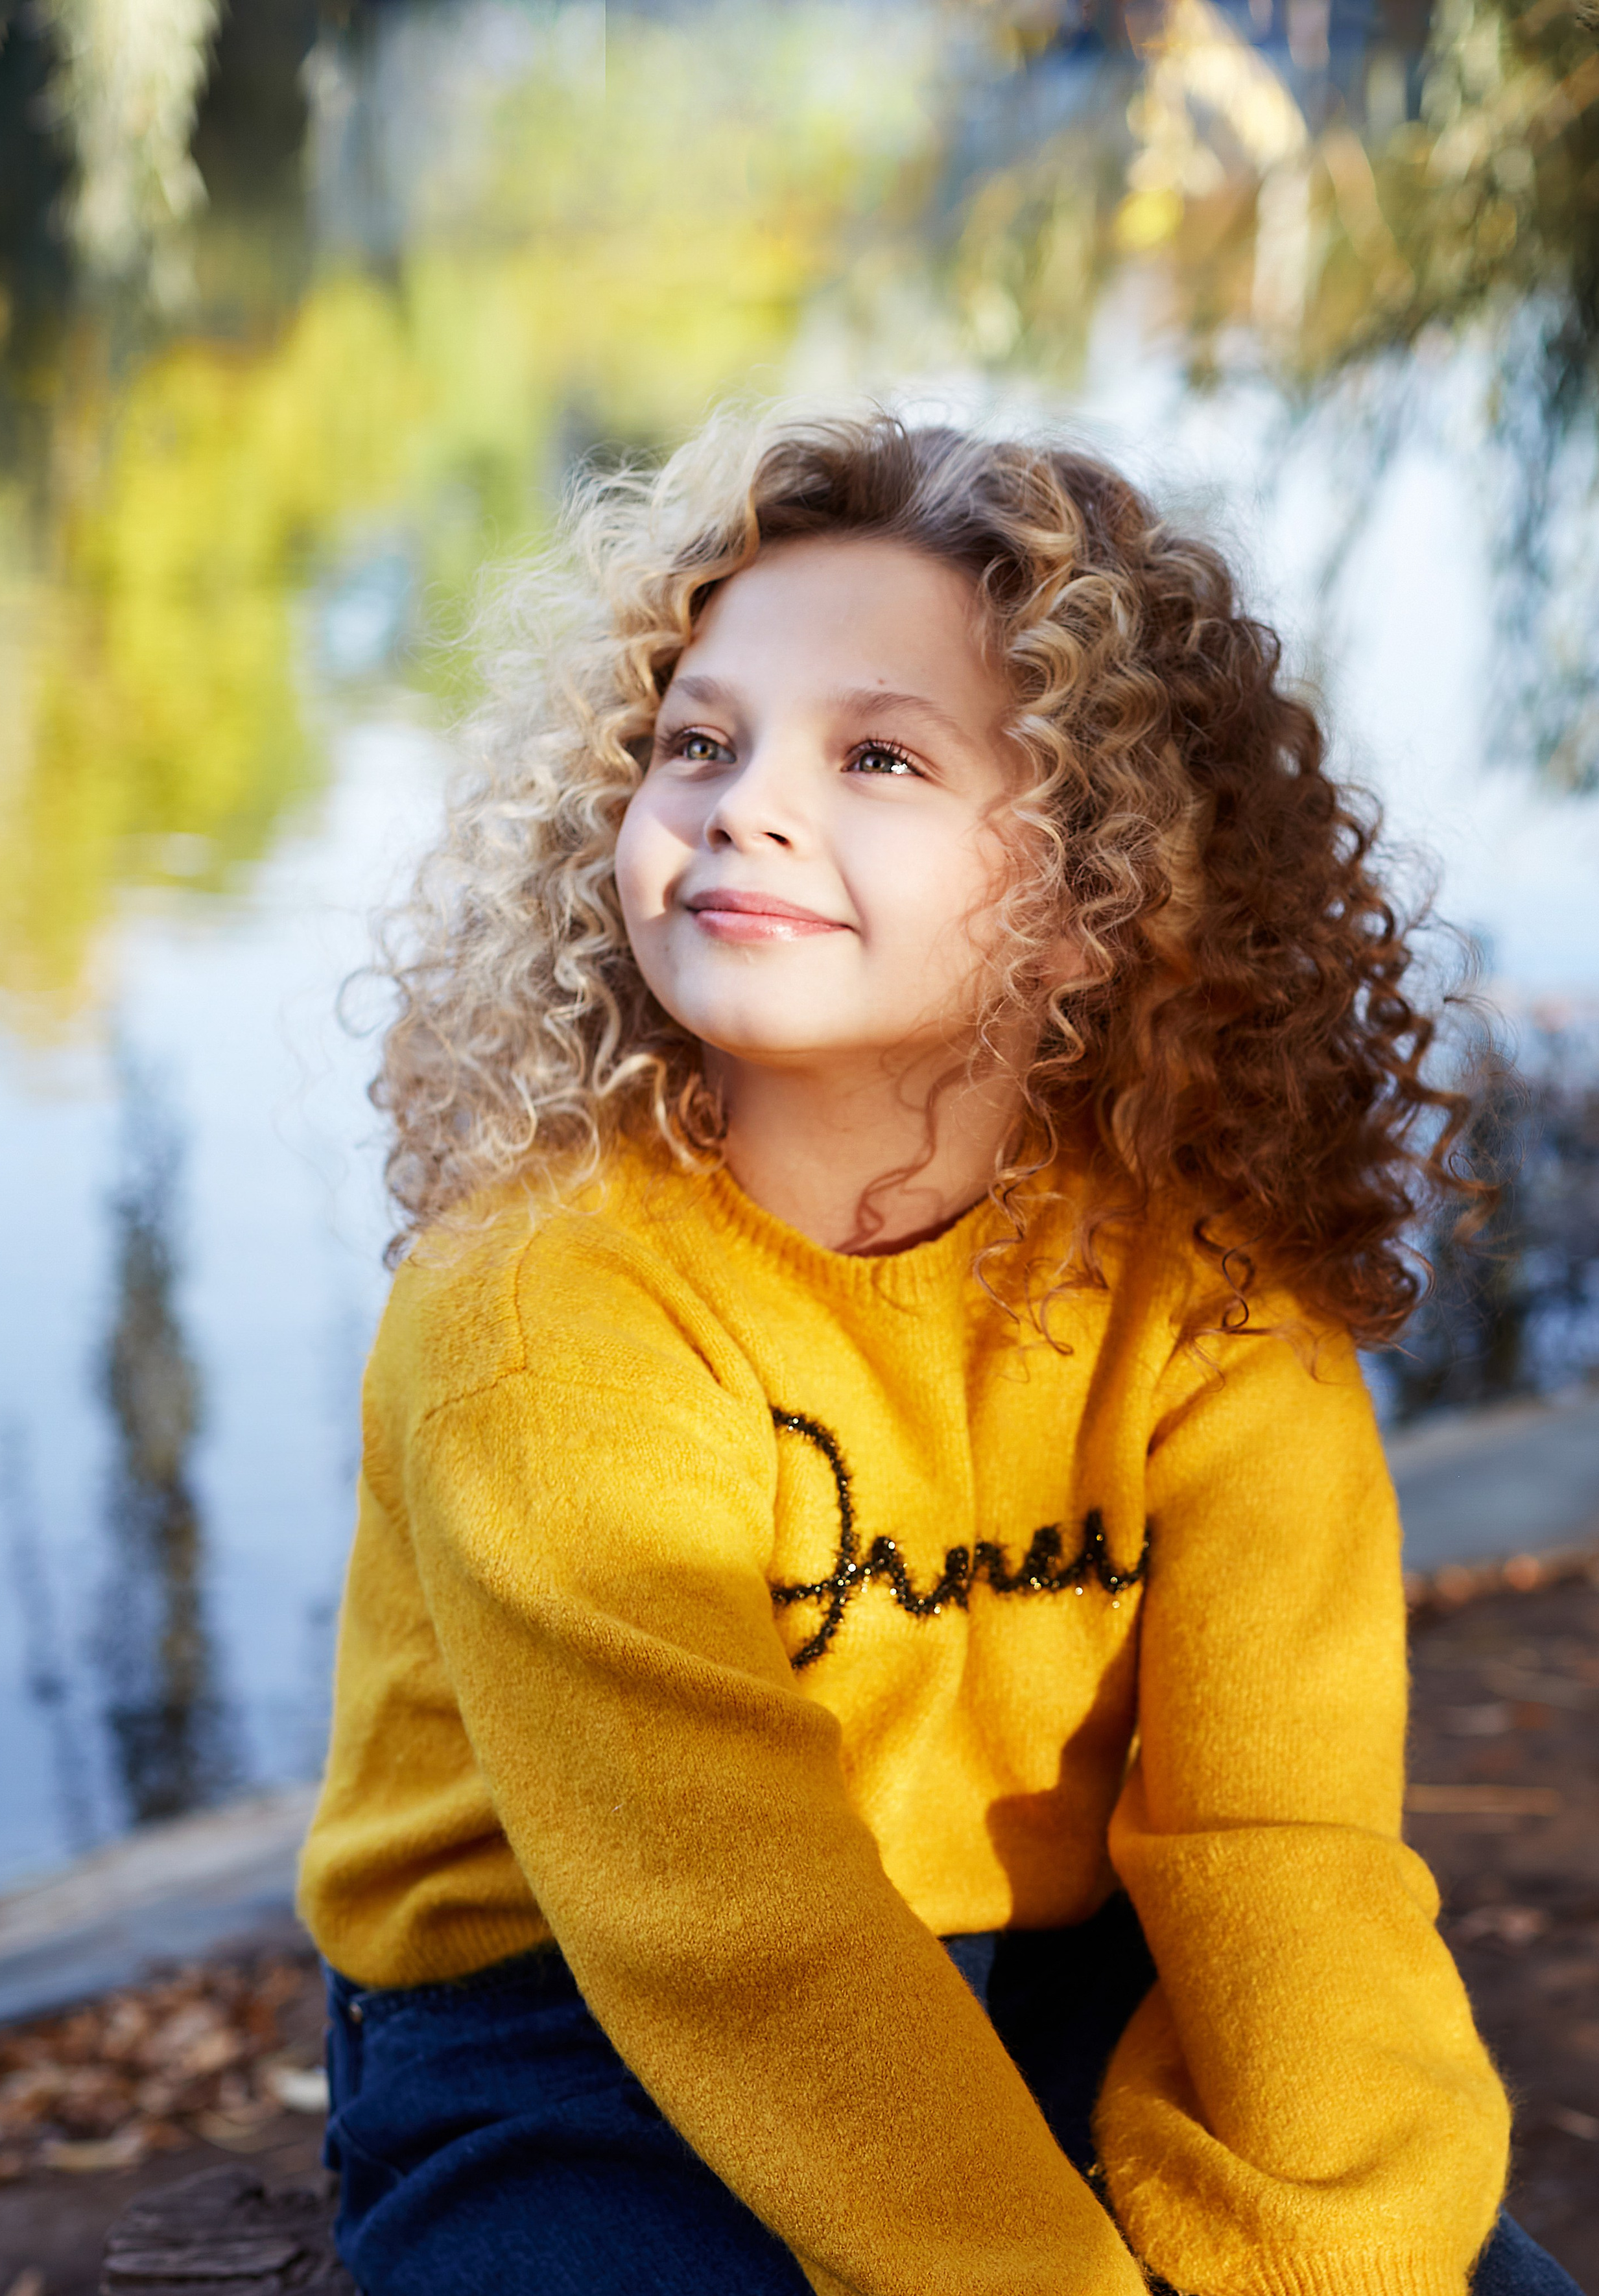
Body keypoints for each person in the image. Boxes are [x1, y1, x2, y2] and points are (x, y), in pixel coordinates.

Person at [298, 410, 1577, 2296]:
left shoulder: (1218, 1303)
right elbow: (737, 1929)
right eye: (697, 744)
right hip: (564, 2014)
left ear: (1093, 901)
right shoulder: (544, 1312)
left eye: (878, 755)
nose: (744, 806)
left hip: (1066, 1973)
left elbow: (1281, 1847)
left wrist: (1349, 2246)